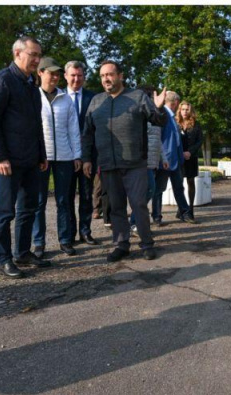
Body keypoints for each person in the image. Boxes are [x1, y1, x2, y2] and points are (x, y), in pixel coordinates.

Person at [81, 61, 167, 261]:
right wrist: (86, 158)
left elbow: (158, 121)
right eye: (102, 76)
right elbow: (87, 133)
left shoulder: (137, 97)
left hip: (135, 163)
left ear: (120, 76)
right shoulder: (96, 101)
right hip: (108, 164)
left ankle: (146, 243)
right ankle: (121, 244)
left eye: (110, 74)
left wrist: (159, 107)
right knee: (116, 207)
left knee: (138, 204)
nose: (106, 79)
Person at [0, 36, 50, 279]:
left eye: (38, 55)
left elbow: (36, 125)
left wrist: (42, 154)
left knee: (28, 209)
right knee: (4, 212)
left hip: (31, 161)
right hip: (7, 162)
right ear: (17, 54)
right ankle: (3, 259)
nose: (37, 59)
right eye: (33, 54)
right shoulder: (1, 81)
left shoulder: (32, 85)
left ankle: (22, 252)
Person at [34, 58, 82, 258]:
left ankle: (65, 240)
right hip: (41, 157)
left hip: (64, 156)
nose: (54, 77)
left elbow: (73, 129)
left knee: (63, 200)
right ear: (40, 73)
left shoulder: (66, 98)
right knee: (38, 201)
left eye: (56, 74)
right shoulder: (32, 96)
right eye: (50, 73)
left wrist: (77, 154)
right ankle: (38, 243)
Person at [63, 60, 97, 245]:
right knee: (67, 197)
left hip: (87, 157)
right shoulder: (58, 97)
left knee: (86, 195)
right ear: (66, 76)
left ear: (84, 77)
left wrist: (87, 158)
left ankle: (85, 231)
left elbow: (93, 130)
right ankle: (68, 234)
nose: (76, 79)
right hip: (65, 157)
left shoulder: (93, 98)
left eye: (80, 75)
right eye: (73, 75)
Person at [154, 91, 194, 223]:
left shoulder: (171, 117)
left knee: (178, 187)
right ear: (176, 103)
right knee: (159, 189)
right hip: (164, 160)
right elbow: (158, 138)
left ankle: (185, 213)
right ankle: (156, 216)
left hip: (175, 159)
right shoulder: (162, 115)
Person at [129, 86, 163, 235]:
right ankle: (134, 223)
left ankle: (136, 222)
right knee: (148, 190)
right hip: (142, 161)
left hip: (153, 161)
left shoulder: (154, 115)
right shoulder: (139, 112)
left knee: (149, 190)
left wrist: (164, 158)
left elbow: (158, 140)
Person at [177, 101, 203, 212]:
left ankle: (191, 209)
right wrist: (181, 152)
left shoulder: (196, 124)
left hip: (191, 158)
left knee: (190, 182)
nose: (185, 111)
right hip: (178, 157)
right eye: (183, 109)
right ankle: (181, 208)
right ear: (179, 110)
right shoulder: (175, 123)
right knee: (178, 184)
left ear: (190, 110)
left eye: (187, 109)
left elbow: (199, 141)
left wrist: (190, 152)